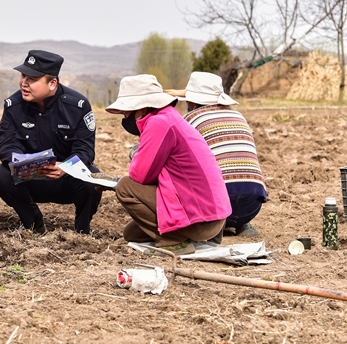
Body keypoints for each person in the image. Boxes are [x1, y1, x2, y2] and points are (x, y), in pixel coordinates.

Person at [106, 74, 231, 255]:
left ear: (142, 107)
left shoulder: (159, 123)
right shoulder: (171, 117)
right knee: (131, 233)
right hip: (214, 217)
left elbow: (140, 176)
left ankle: (175, 242)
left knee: (124, 186)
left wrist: (137, 155)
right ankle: (186, 235)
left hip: (200, 220)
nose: (125, 115)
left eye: (127, 110)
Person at [0, 50, 102, 235]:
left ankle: (82, 230)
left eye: (32, 79)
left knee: (92, 177)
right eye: (23, 75)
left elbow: (85, 150)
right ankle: (33, 223)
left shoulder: (78, 106)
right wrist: (31, 163)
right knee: (2, 175)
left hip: (65, 178)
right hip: (30, 176)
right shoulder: (13, 106)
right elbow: (7, 146)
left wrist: (65, 167)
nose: (24, 83)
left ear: (52, 83)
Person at [172, 71, 268, 238]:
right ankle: (241, 223)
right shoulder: (238, 116)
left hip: (218, 206)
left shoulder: (190, 119)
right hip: (252, 205)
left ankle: (215, 225)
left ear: (193, 101)